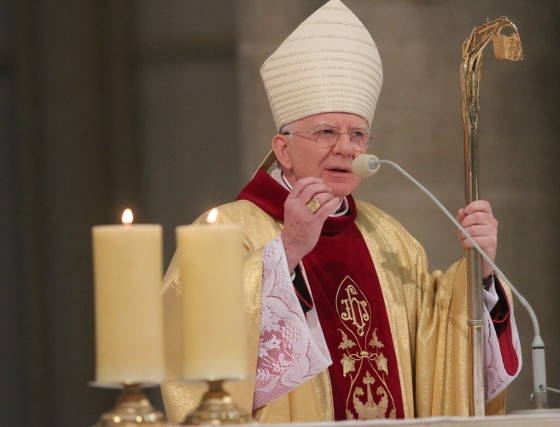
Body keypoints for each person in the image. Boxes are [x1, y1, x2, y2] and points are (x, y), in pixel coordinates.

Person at [161, 0, 521, 423]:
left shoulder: (389, 239)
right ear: (283, 150)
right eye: (327, 132)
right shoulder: (223, 231)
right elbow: (194, 346)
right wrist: (286, 254)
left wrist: (478, 274)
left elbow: (440, 350)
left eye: (358, 134)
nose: (346, 148)